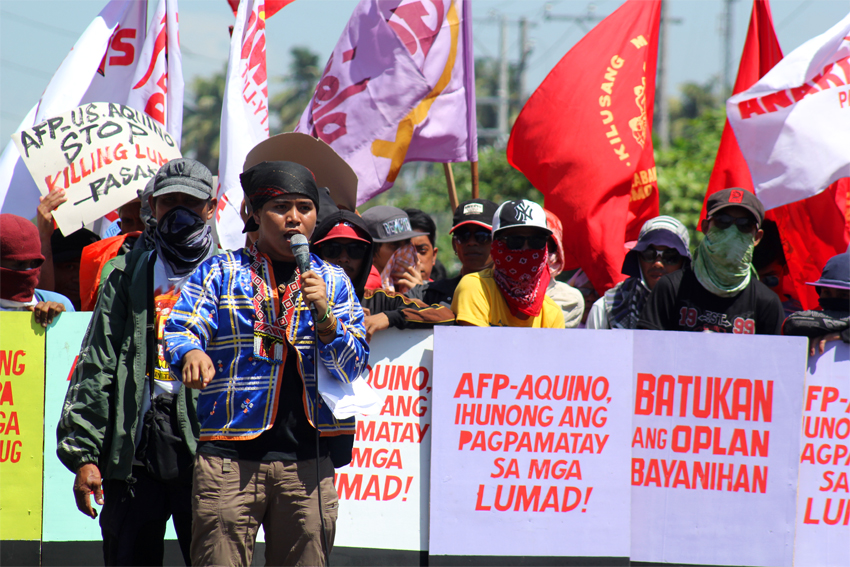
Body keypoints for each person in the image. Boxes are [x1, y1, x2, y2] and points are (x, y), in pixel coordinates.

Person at [164, 161, 369, 566]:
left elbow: (355, 366)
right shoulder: (221, 271)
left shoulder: (333, 281)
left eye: (305, 207)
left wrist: (326, 318)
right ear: (254, 214)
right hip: (228, 459)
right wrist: (191, 353)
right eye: (281, 207)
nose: (294, 218)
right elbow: (181, 328)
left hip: (308, 463)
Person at [56, 158, 218, 566]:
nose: (179, 211)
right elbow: (96, 365)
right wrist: (85, 455)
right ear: (151, 206)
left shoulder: (230, 273)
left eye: (190, 202)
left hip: (209, 455)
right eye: (169, 202)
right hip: (134, 454)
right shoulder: (126, 272)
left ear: (211, 208)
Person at [638, 188, 783, 334]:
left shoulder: (766, 303)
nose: (731, 231)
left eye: (744, 224)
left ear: (756, 237)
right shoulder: (671, 288)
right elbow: (647, 350)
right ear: (706, 227)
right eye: (723, 221)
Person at [312, 209, 455, 341]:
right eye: (332, 249)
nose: (343, 258)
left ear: (366, 257)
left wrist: (388, 317)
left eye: (355, 250)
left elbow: (446, 316)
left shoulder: (379, 299)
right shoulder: (298, 299)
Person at [453, 199, 565, 328]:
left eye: (536, 241)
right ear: (495, 245)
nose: (525, 249)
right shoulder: (476, 288)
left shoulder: (552, 312)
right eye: (515, 240)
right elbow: (477, 346)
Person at [587, 216, 691, 329]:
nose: (658, 264)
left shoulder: (701, 310)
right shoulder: (605, 309)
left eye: (670, 256)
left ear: (684, 262)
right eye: (649, 254)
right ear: (638, 258)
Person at [0, 213, 73, 325]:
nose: (28, 271)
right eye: (19, 264)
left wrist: (62, 324)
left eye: (35, 263)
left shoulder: (58, 304)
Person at [424, 198, 497, 307]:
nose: (471, 242)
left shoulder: (516, 296)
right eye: (463, 236)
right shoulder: (429, 295)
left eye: (483, 236)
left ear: (499, 242)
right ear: (454, 244)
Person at [782, 252, 849, 356]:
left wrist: (844, 335)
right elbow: (791, 324)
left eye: (844, 294)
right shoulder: (814, 316)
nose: (834, 299)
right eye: (827, 292)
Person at [362, 205, 428, 295]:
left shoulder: (420, 285)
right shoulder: (365, 290)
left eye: (407, 243)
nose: (405, 251)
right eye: (394, 245)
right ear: (370, 252)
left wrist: (420, 292)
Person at [543, 209, 584, 328]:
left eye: (539, 243)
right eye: (517, 241)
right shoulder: (489, 290)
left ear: (556, 251)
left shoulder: (568, 298)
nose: (528, 251)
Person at [404, 208, 439, 282]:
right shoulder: (380, 291)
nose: (416, 260)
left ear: (434, 255)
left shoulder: (447, 293)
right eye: (407, 252)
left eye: (422, 250)